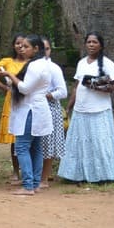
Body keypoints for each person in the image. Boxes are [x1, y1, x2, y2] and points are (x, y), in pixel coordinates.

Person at [57, 32, 114, 183]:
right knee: (79, 143)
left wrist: (99, 85)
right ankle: (76, 175)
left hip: (99, 110)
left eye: (94, 42)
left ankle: (104, 175)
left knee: (100, 142)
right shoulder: (81, 63)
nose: (91, 45)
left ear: (100, 45)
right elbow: (76, 87)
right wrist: (69, 107)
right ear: (85, 44)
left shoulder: (107, 63)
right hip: (81, 109)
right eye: (89, 42)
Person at [0, 34, 53, 195]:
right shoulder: (42, 64)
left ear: (36, 49)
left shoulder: (35, 66)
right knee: (36, 148)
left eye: (26, 46)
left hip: (31, 109)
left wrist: (9, 75)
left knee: (22, 147)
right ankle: (35, 183)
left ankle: (28, 185)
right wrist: (10, 79)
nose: (22, 48)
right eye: (21, 46)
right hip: (36, 108)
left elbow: (25, 88)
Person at [0, 33, 27, 184]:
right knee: (15, 138)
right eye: (18, 44)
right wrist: (2, 86)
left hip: (30, 100)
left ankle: (30, 170)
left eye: (24, 44)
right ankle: (16, 171)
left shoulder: (33, 62)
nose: (21, 47)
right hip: (13, 101)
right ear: (13, 46)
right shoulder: (7, 62)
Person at [39, 36, 67, 188]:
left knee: (48, 144)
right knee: (35, 144)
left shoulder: (54, 68)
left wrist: (47, 95)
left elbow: (62, 91)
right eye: (41, 48)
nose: (44, 52)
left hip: (50, 108)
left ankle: (44, 178)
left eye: (47, 49)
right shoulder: (30, 66)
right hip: (33, 108)